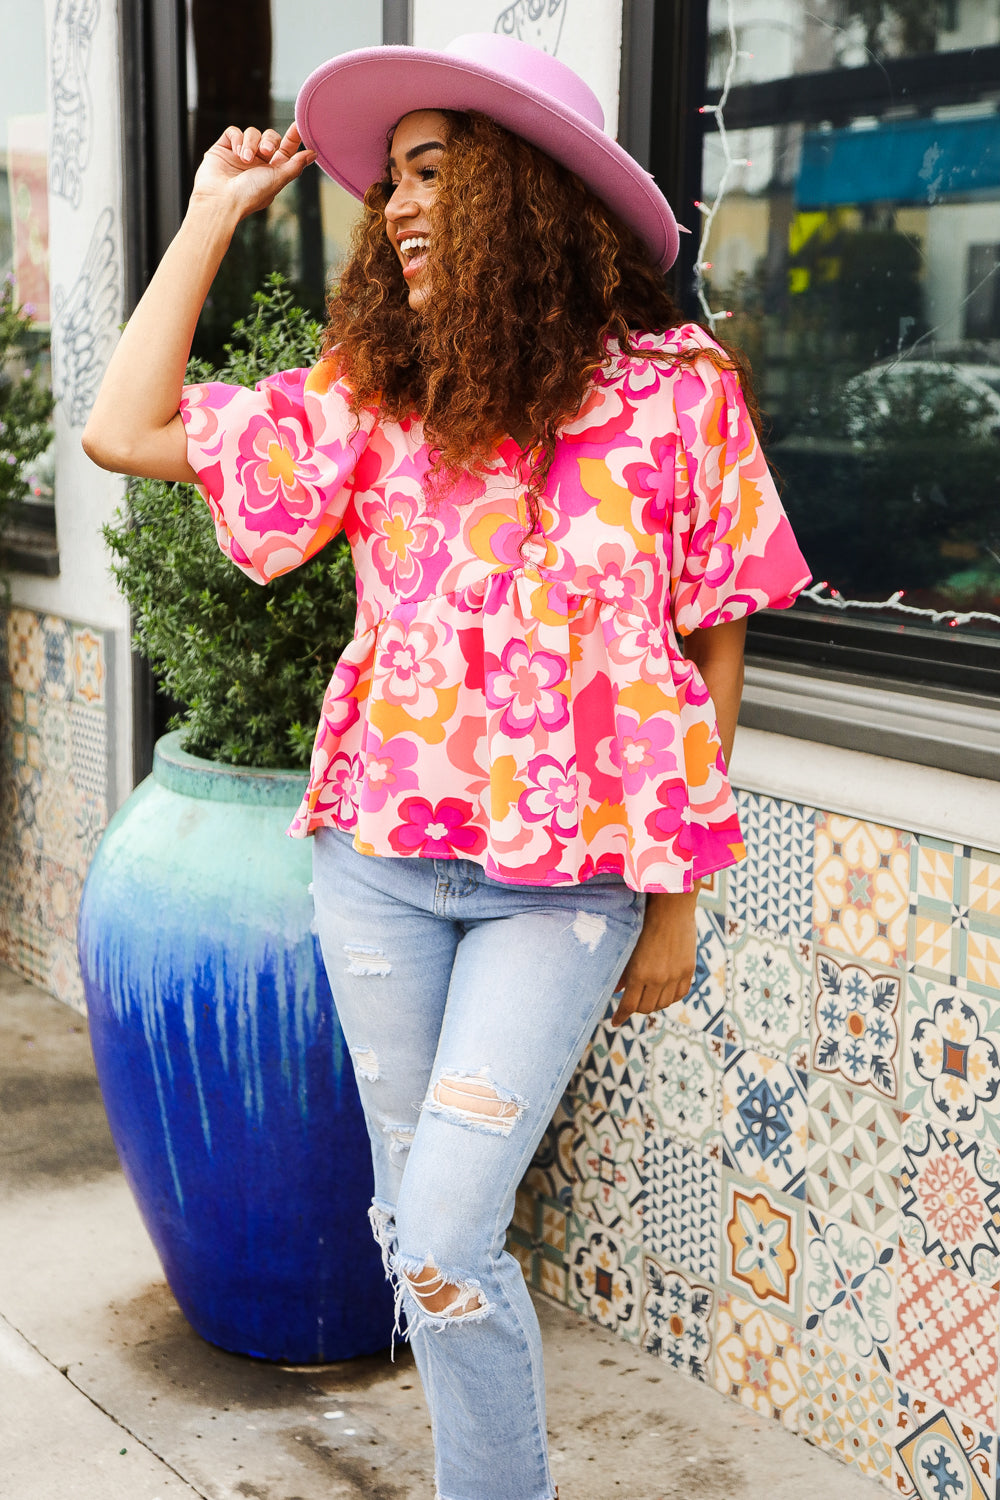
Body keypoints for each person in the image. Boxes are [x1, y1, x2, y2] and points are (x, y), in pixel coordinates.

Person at [83, 33, 810, 1500]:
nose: (399, 204)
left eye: (433, 172)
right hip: (378, 875)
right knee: (410, 1227)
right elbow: (124, 427)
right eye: (393, 181)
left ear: (524, 192)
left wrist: (678, 899)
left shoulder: (679, 394)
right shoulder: (378, 395)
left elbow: (712, 641)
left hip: (566, 893)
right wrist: (211, 214)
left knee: (444, 1235)